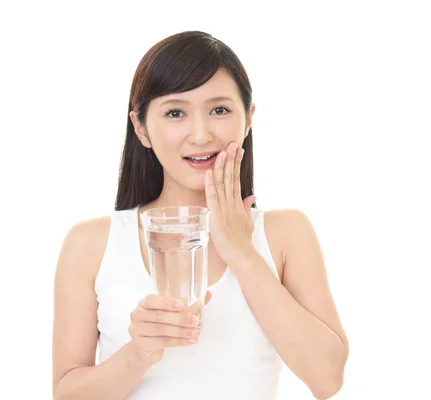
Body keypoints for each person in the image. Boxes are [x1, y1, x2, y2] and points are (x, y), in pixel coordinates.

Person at [51, 31, 349, 400]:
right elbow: (66, 393)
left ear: (249, 117)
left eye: (219, 109)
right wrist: (139, 353)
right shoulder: (91, 243)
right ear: (141, 127)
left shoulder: (285, 233)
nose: (201, 133)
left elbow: (328, 378)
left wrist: (241, 252)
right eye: (176, 112)